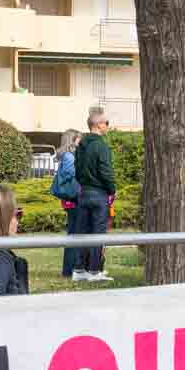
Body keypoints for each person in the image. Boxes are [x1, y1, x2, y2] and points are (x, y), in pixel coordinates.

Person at [69, 106, 115, 282]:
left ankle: (79, 269)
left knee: (82, 232)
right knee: (98, 233)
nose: (108, 126)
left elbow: (77, 168)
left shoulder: (81, 145)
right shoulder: (100, 145)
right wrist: (112, 189)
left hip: (84, 192)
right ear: (98, 125)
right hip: (99, 193)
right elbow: (106, 171)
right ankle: (94, 271)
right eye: (106, 123)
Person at [50, 128, 83, 278]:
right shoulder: (70, 156)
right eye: (78, 139)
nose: (80, 141)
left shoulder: (66, 156)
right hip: (74, 199)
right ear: (72, 140)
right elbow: (69, 173)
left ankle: (69, 269)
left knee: (73, 234)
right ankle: (70, 269)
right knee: (75, 235)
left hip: (70, 200)